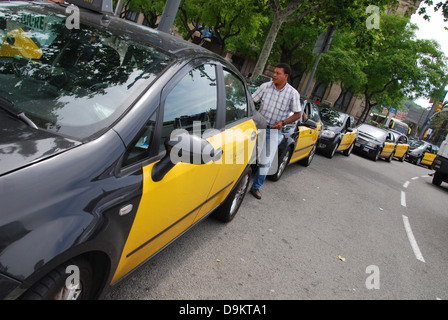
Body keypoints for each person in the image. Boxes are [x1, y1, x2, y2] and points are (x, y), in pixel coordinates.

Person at [250, 63, 302, 200]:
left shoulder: (292, 94)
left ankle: (256, 187)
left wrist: (283, 123)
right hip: (257, 127)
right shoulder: (265, 87)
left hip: (273, 131)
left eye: (278, 73)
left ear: (286, 76)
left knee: (265, 161)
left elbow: (298, 114)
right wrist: (254, 112)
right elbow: (251, 100)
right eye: (274, 72)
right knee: (245, 154)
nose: (274, 75)